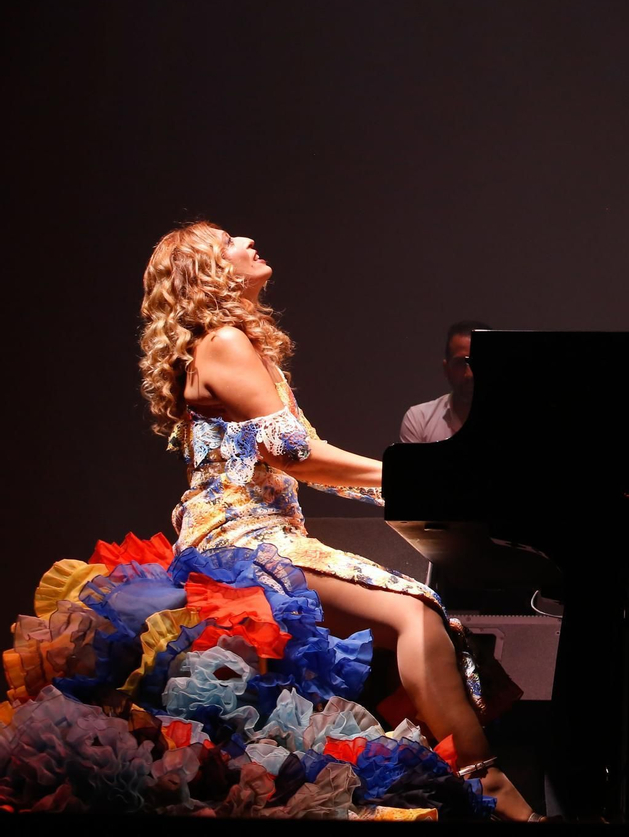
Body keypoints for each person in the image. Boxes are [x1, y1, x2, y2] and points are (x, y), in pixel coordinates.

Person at [140, 222, 538, 820]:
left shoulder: (224, 342)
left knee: (408, 625)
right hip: (241, 540)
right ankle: (488, 785)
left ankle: (441, 785)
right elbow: (295, 455)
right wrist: (417, 479)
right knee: (416, 610)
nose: (247, 240)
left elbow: (301, 463)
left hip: (248, 538)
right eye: (227, 241)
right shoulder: (224, 340)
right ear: (208, 270)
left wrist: (407, 488)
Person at [399, 320, 489, 443]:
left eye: (478, 362)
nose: (470, 374)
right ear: (446, 369)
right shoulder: (420, 418)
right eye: (460, 363)